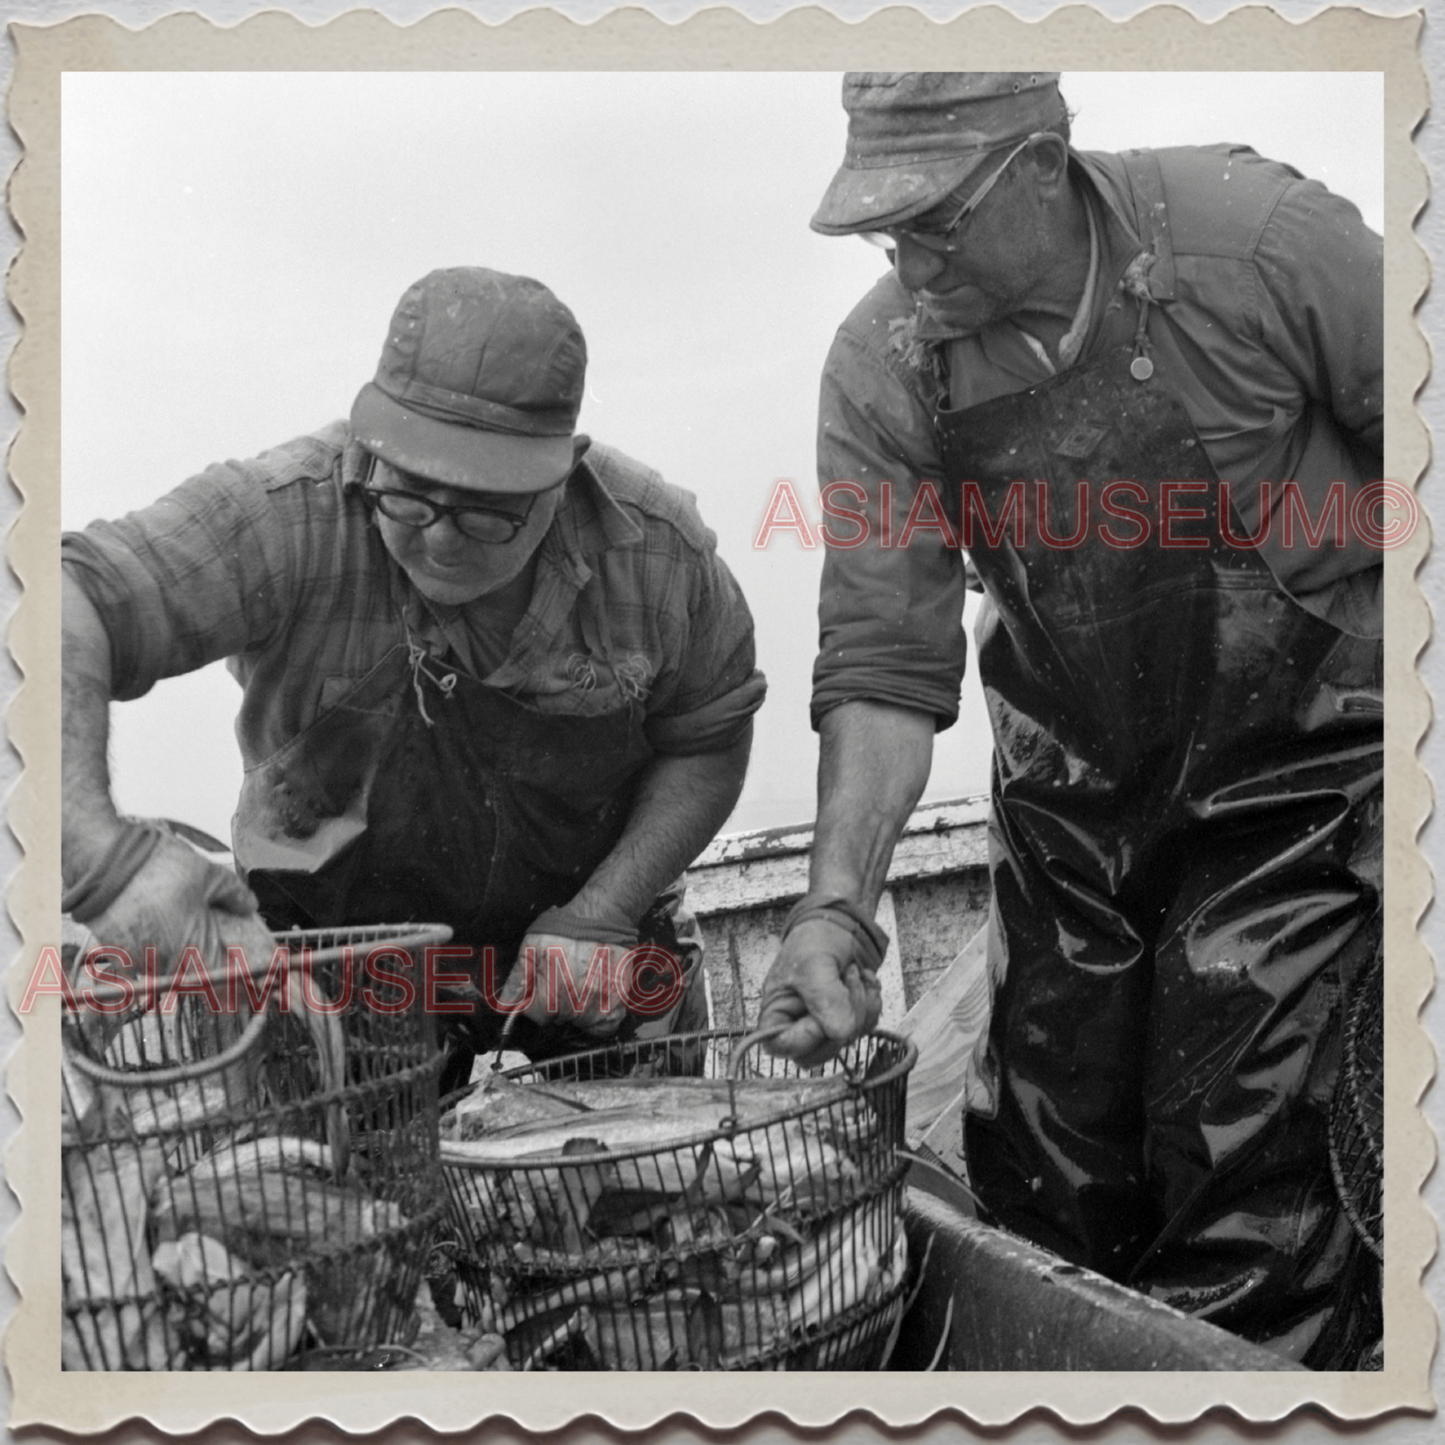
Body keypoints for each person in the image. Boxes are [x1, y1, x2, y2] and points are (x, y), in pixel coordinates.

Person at [758, 73, 1383, 1368]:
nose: (908, 260)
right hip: (1072, 814)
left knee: (1245, 1183)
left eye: (936, 221)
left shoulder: (1257, 238)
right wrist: (831, 908)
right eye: (886, 232)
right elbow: (884, 657)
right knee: (1047, 1181)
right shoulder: (884, 371)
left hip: (1304, 792)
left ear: (1041, 166)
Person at [63, 267, 766, 1089]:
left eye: (483, 512)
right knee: (320, 1202)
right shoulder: (284, 515)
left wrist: (605, 907)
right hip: (332, 968)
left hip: (589, 955)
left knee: (654, 1195)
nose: (439, 542)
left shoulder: (655, 548)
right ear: (370, 441)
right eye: (410, 498)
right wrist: (100, 857)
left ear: (561, 471)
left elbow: (709, 736)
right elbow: (52, 602)